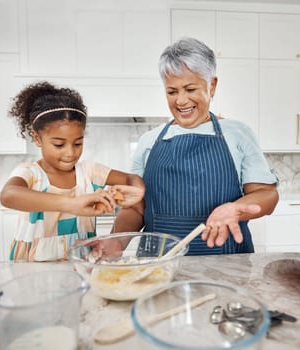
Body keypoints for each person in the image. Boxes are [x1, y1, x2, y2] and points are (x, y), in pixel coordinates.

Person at [113, 37, 279, 255]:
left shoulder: (237, 134)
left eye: (190, 89)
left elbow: (267, 194)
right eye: (172, 92)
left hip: (226, 265)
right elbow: (137, 206)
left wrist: (235, 210)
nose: (181, 101)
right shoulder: (149, 140)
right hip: (158, 266)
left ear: (212, 86)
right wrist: (115, 242)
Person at [0, 81, 145, 262]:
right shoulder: (31, 173)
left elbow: (132, 178)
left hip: (80, 264)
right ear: (37, 138)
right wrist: (71, 204)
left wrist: (135, 192)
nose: (70, 153)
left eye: (78, 143)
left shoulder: (90, 171)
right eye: (59, 144)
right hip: (32, 266)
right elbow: (8, 195)